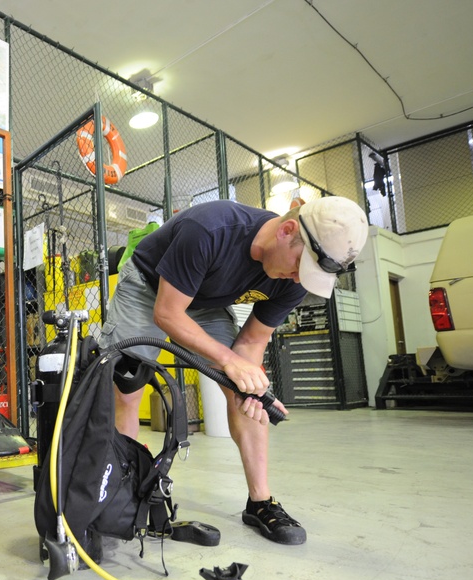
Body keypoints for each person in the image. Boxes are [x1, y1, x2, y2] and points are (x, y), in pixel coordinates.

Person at [98, 196, 368, 546]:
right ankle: (123, 489)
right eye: (300, 265)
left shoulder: (295, 278)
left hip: (204, 302)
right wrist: (228, 361)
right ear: (287, 231)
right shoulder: (211, 229)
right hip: (149, 287)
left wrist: (249, 386)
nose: (299, 277)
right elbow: (166, 313)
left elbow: (251, 343)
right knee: (128, 387)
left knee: (247, 391)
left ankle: (261, 502)